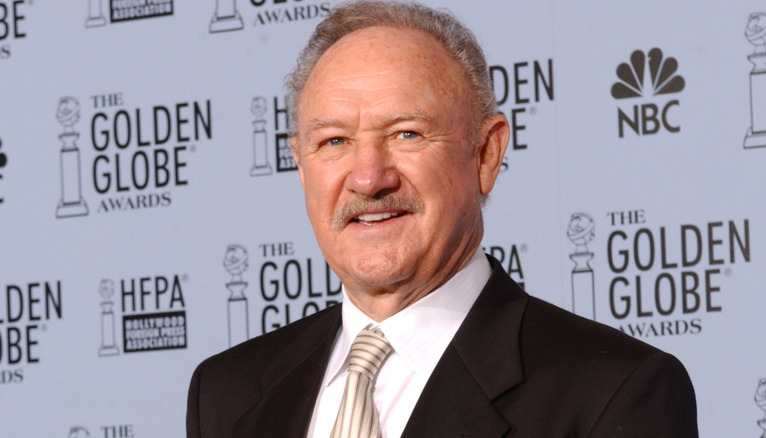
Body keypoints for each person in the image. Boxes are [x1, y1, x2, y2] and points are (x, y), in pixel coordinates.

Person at [186, 1, 699, 437]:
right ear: (301, 166)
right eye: (334, 141)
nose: (368, 178)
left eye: (407, 134)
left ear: (486, 154)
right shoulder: (225, 394)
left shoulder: (615, 393)